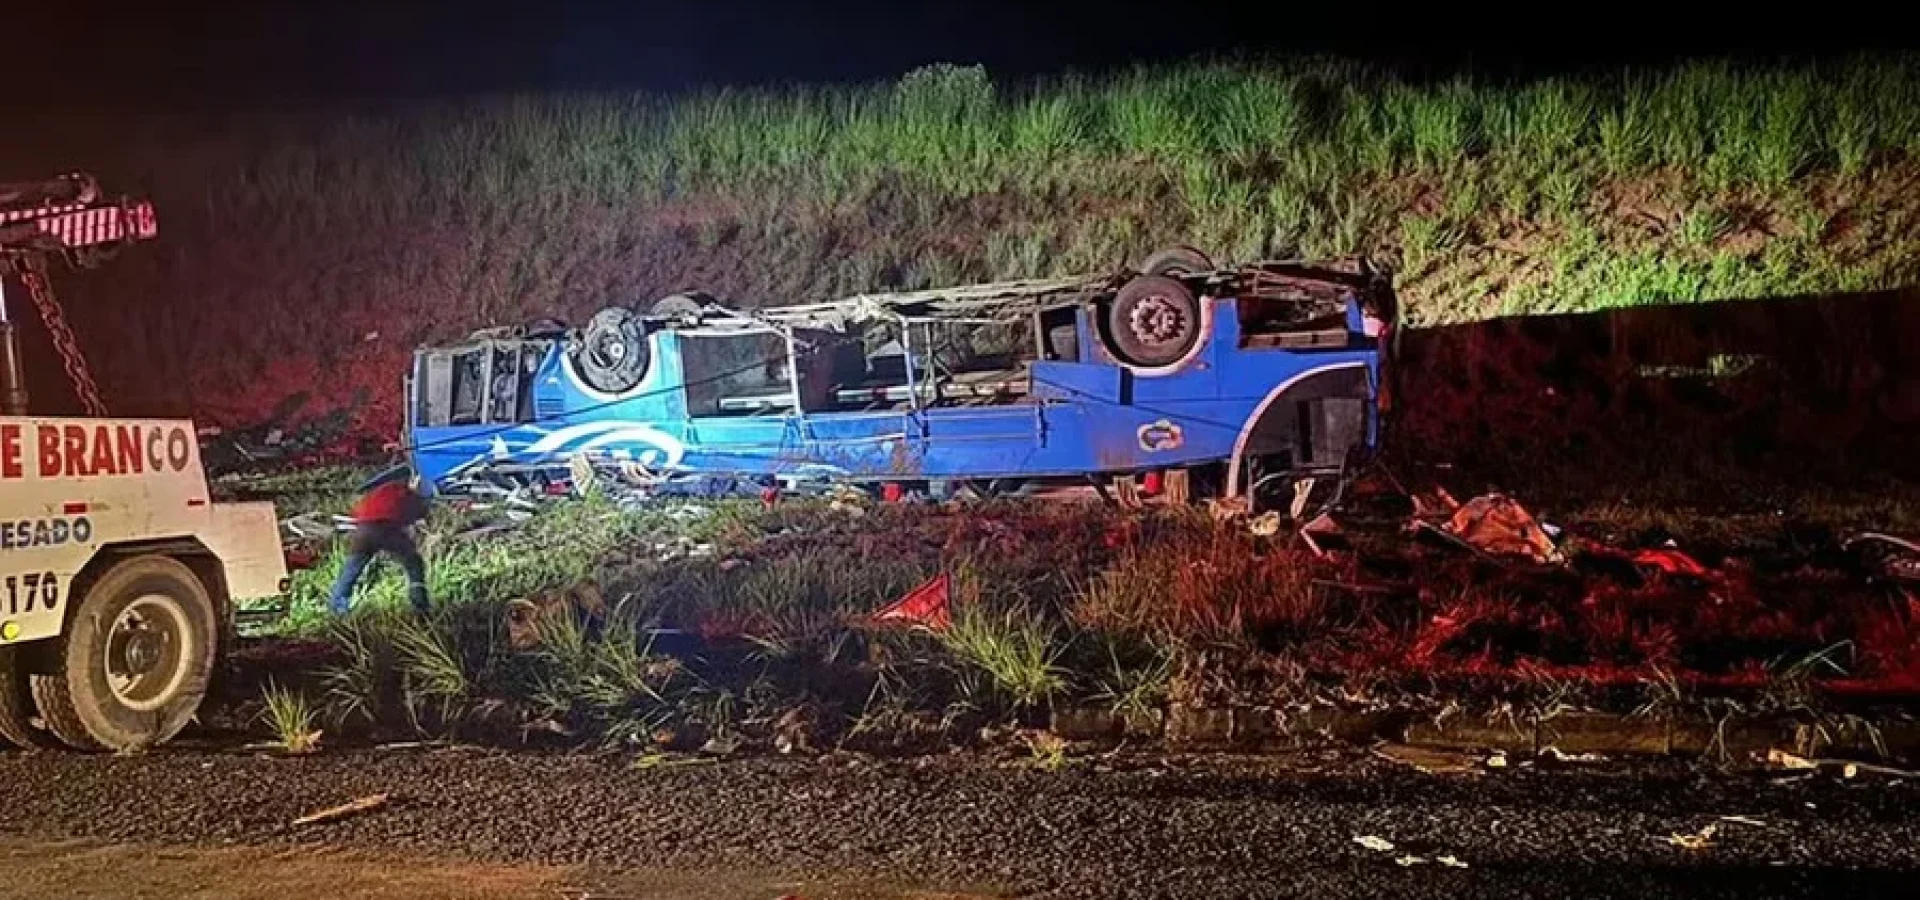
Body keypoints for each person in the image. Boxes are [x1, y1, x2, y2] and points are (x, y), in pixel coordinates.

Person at [329, 474, 432, 615]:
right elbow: (414, 515)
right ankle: (419, 603)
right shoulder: (406, 494)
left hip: (363, 530)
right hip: (385, 528)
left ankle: (337, 607)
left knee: (352, 569)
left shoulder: (384, 490)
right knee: (413, 562)